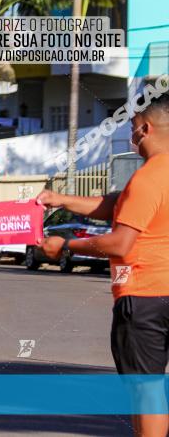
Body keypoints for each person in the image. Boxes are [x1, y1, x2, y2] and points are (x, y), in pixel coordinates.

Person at [38, 91, 169, 437]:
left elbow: (121, 244)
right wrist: (60, 198)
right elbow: (118, 203)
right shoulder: (151, 180)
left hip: (144, 297)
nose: (130, 136)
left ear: (144, 128)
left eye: (131, 128)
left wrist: (65, 246)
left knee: (148, 390)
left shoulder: (148, 177)